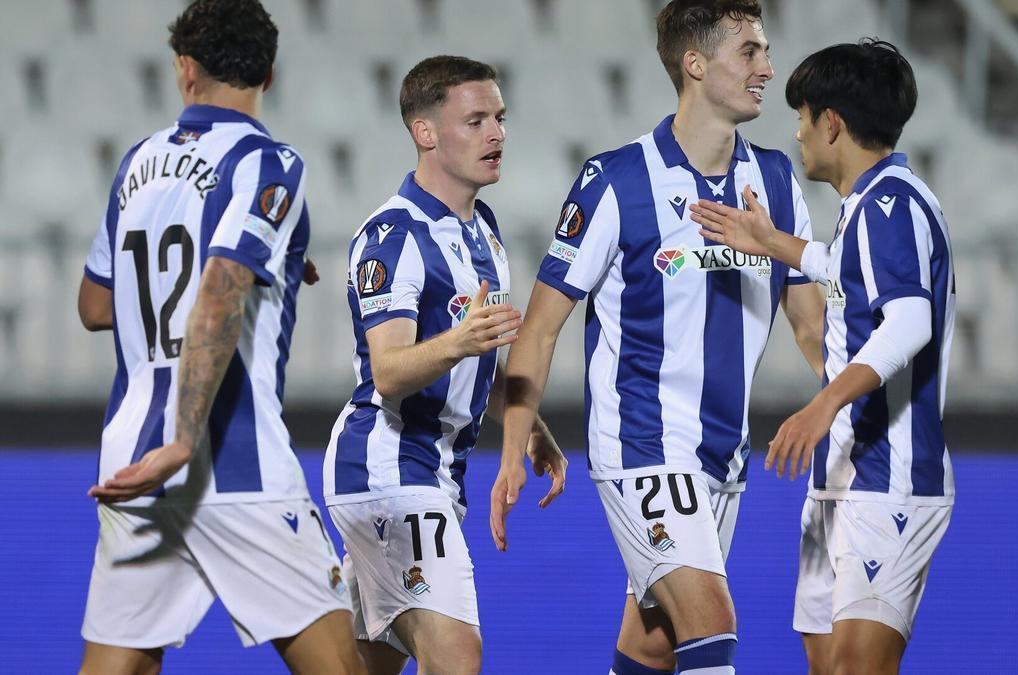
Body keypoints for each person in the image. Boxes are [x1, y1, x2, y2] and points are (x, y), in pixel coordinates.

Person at [490, 2, 826, 673]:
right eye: (750, 52)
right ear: (695, 64)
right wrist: (511, 444)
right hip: (641, 441)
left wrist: (851, 410)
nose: (767, 68)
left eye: (764, 51)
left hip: (722, 455)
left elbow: (812, 323)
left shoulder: (777, 184)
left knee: (653, 646)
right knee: (712, 623)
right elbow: (542, 328)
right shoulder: (617, 181)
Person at [77, 1, 362, 673]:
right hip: (229, 459)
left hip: (131, 460)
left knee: (117, 666)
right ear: (269, 71)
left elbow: (94, 305)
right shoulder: (268, 162)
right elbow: (216, 294)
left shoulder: (136, 163)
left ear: (184, 70)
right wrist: (183, 440)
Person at [690, 39, 956, 674]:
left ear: (832, 122)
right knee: (826, 666)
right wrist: (771, 240)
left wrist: (824, 403)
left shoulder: (892, 205)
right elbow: (848, 276)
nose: (798, 133)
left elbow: (910, 320)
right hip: (841, 478)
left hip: (889, 481)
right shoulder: (869, 205)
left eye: (804, 116)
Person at [321, 55, 566, 675]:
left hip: (433, 478)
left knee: (367, 666)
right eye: (476, 120)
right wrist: (458, 341)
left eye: (500, 119)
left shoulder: (481, 229)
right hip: (389, 471)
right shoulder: (393, 236)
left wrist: (528, 424)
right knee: (457, 657)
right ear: (425, 132)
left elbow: (478, 355)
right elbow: (389, 371)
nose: (497, 134)